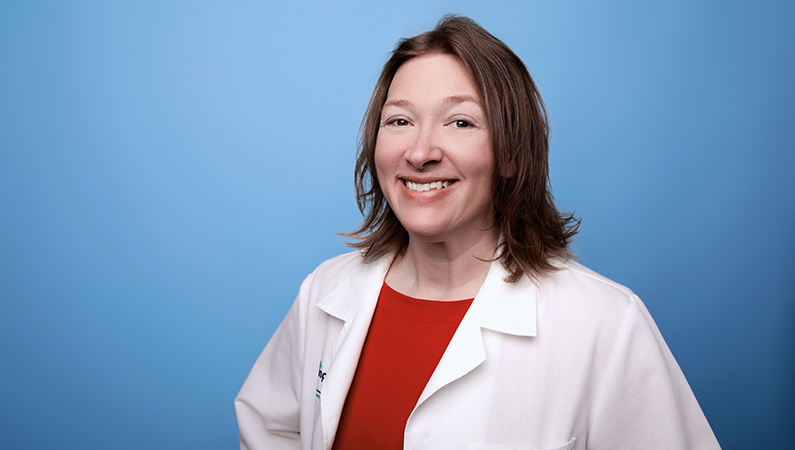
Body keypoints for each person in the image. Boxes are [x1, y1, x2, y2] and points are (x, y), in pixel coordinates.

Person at [235, 15, 721, 450]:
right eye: (400, 120)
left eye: (460, 122)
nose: (421, 152)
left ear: (511, 154)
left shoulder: (607, 324)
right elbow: (270, 427)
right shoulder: (325, 291)